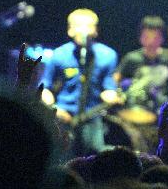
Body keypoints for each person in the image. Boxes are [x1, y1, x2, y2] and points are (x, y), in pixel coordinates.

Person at [38, 8, 118, 155]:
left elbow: (109, 86)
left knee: (94, 155)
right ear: (70, 30)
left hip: (92, 117)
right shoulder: (59, 54)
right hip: (63, 116)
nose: (84, 30)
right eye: (79, 25)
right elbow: (44, 87)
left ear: (96, 30)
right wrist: (54, 108)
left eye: (89, 26)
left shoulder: (108, 55)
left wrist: (110, 94)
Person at [115, 15, 168, 110]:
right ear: (140, 38)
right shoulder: (131, 58)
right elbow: (115, 80)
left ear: (162, 39)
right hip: (135, 110)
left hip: (163, 112)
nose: (151, 42)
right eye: (146, 37)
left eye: (155, 38)